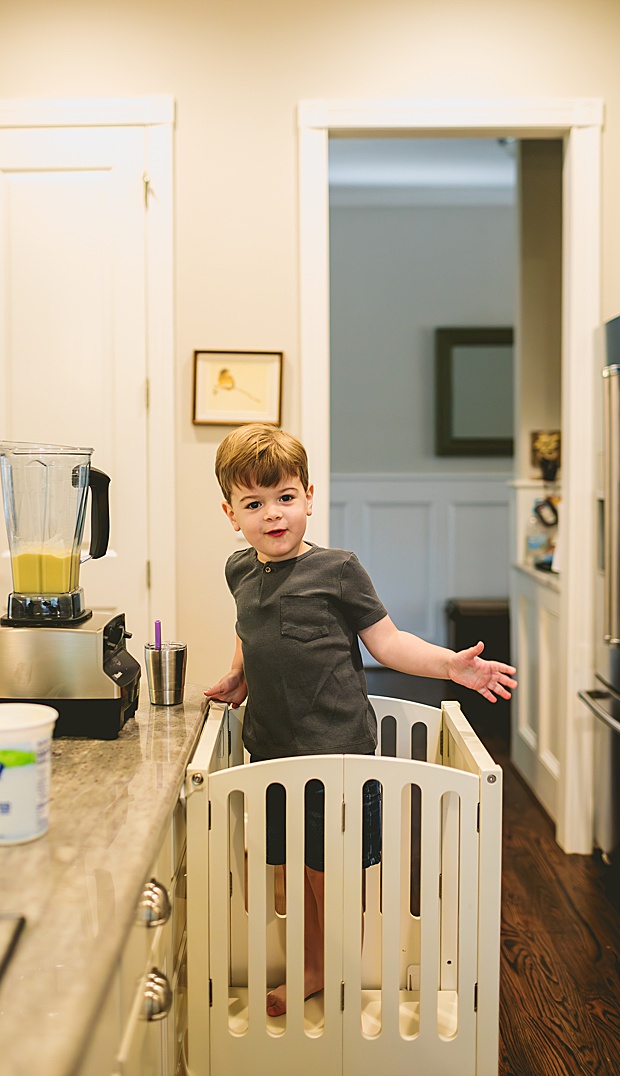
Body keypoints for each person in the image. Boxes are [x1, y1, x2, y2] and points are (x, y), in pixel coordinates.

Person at [204, 422, 515, 1016]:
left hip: (337, 751)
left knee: (333, 874)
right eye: (255, 503)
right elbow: (248, 627)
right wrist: (239, 673)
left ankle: (346, 976)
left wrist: (452, 666)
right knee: (292, 872)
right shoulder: (239, 570)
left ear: (309, 496)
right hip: (271, 752)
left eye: (285, 498)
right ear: (231, 512)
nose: (274, 515)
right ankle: (314, 967)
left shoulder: (339, 570)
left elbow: (389, 643)